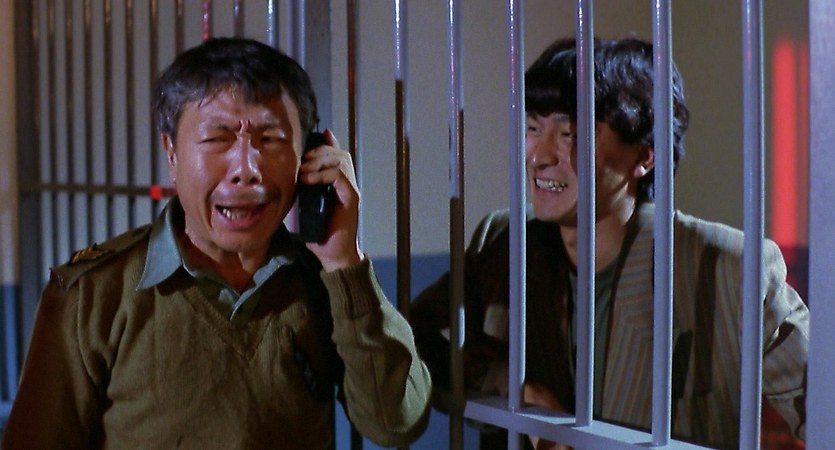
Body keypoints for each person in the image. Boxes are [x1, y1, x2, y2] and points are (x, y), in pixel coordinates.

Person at [2, 37, 431, 449]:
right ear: (172, 153)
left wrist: (344, 263)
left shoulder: (324, 282)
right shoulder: (94, 295)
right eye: (216, 139)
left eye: (271, 139)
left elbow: (395, 423)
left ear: (309, 156)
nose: (246, 168)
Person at [410, 37, 808, 449]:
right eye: (533, 128)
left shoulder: (726, 269)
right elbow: (409, 348)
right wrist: (504, 379)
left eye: (569, 132)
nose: (539, 156)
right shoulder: (505, 244)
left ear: (645, 155)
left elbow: (823, 407)